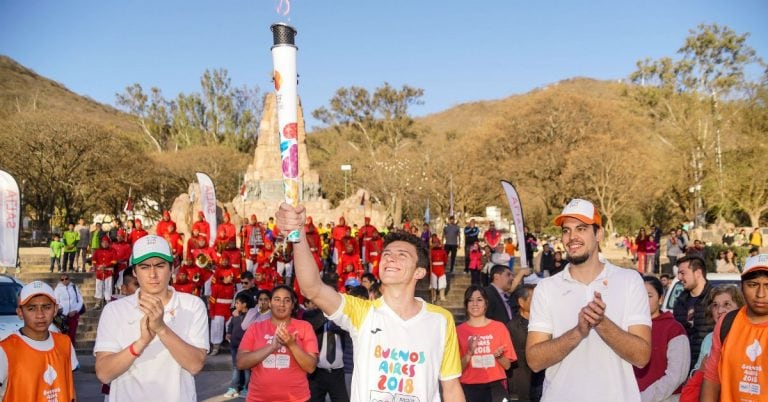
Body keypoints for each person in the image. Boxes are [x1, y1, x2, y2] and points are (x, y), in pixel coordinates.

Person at [276, 202, 465, 402]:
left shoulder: (440, 320)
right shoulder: (363, 313)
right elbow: (311, 288)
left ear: (419, 271)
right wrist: (297, 233)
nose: (391, 259)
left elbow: (451, 387)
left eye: (402, 255)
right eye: (387, 254)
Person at [526, 198, 651, 402]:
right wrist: (578, 332)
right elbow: (534, 360)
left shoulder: (629, 281)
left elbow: (642, 356)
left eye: (581, 229)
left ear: (599, 234)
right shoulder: (546, 288)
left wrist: (602, 323)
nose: (572, 237)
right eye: (566, 230)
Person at [94, 235, 209, 401]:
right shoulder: (114, 310)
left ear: (171, 268)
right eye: (145, 267)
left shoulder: (193, 306)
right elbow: (104, 374)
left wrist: (161, 329)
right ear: (134, 271)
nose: (153, 274)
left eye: (160, 266)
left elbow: (195, 365)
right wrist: (141, 343)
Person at [700, 254, 768, 401]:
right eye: (753, 285)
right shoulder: (727, 323)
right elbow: (712, 378)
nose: (761, 294)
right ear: (742, 287)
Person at [236, 285, 318, 402]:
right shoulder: (255, 328)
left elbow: (311, 367)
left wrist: (291, 345)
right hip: (258, 398)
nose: (281, 304)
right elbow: (240, 362)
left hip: (297, 398)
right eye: (277, 299)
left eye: (287, 300)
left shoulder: (305, 327)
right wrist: (272, 347)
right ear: (270, 303)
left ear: (293, 305)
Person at [0, 281, 79, 401]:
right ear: (20, 312)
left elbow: (70, 388)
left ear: (55, 309)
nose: (40, 315)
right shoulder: (5, 350)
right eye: (31, 308)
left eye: (46, 307)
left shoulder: (64, 343)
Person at [634, 276, 689, 402]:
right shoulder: (627, 327)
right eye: (638, 295)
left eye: (649, 296)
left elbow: (676, 375)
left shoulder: (674, 329)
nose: (642, 300)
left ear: (660, 299)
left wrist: (643, 398)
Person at [457, 286, 516, 402]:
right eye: (470, 300)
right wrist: (469, 353)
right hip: (469, 387)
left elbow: (508, 366)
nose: (475, 304)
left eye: (479, 300)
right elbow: (456, 369)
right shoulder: (457, 331)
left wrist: (500, 356)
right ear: (466, 304)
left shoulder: (499, 328)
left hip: (496, 387)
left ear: (486, 303)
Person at [304, 296, 350, 402]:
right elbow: (313, 325)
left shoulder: (341, 316)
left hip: (338, 373)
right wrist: (327, 312)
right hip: (317, 373)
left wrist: (335, 313)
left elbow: (344, 328)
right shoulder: (311, 315)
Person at [671, 255, 713, 365]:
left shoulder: (715, 299)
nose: (679, 277)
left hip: (709, 367)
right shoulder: (680, 302)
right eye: (678, 273)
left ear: (698, 273)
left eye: (683, 273)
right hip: (684, 367)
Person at [507, 284, 543, 402]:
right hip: (521, 385)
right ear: (521, 302)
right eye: (535, 299)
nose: (539, 302)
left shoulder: (545, 324)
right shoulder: (511, 327)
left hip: (542, 382)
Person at [224, 292, 255, 399]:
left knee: (247, 368)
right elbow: (231, 325)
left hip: (246, 347)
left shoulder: (249, 316)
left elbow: (245, 328)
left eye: (237, 303)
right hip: (234, 345)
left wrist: (237, 317)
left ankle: (247, 388)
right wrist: (228, 333)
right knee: (236, 367)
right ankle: (234, 387)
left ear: (244, 304)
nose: (235, 305)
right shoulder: (235, 315)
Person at [54, 274, 85, 344]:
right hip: (63, 315)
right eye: (62, 279)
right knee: (63, 334)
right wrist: (64, 311)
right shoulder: (57, 289)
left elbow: (80, 300)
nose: (64, 280)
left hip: (74, 314)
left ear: (69, 279)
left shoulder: (74, 287)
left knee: (72, 334)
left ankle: (71, 351)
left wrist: (75, 310)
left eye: (66, 278)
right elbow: (56, 302)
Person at [430, 234, 448, 303]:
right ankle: (434, 296)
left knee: (442, 282)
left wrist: (444, 266)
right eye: (435, 243)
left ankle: (442, 296)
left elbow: (445, 259)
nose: (436, 244)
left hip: (441, 268)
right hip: (434, 268)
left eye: (437, 243)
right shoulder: (431, 251)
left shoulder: (443, 251)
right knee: (433, 283)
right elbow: (429, 259)